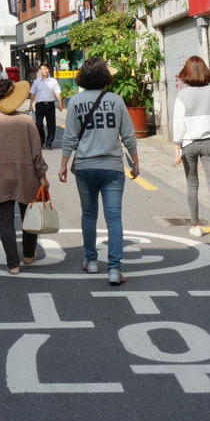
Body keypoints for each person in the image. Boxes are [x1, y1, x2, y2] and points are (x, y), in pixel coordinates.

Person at [57, 57, 138, 286]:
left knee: (89, 215)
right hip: (112, 167)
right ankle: (114, 269)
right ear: (105, 76)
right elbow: (128, 136)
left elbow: (70, 137)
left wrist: (63, 164)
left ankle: (91, 261)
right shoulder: (116, 100)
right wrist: (136, 162)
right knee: (114, 219)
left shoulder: (75, 102)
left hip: (84, 166)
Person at [0, 75, 47, 274]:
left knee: (5, 220)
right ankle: (29, 254)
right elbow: (36, 153)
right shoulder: (26, 121)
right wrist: (42, 176)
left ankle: (12, 263)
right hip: (26, 175)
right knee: (29, 216)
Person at [170, 56, 210, 244]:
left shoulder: (183, 95)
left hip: (189, 144)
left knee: (192, 185)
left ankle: (195, 226)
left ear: (187, 73)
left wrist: (177, 147)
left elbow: (179, 123)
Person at [29, 64, 62, 149]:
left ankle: (49, 142)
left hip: (50, 105)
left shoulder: (53, 81)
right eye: (43, 69)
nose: (45, 70)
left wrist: (60, 102)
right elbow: (33, 94)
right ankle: (41, 139)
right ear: (40, 70)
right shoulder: (36, 82)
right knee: (39, 124)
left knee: (51, 125)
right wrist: (30, 105)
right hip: (39, 105)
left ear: (49, 70)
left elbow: (57, 92)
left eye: (46, 69)